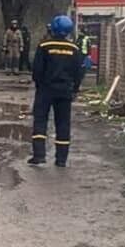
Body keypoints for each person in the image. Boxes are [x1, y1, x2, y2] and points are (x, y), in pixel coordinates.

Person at [28, 14, 86, 167]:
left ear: (53, 28)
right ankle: (61, 159)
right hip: (65, 91)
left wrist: (39, 85)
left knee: (40, 121)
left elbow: (37, 70)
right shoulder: (74, 49)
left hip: (46, 90)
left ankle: (39, 155)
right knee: (63, 123)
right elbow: (79, 72)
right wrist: (75, 89)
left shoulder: (44, 46)